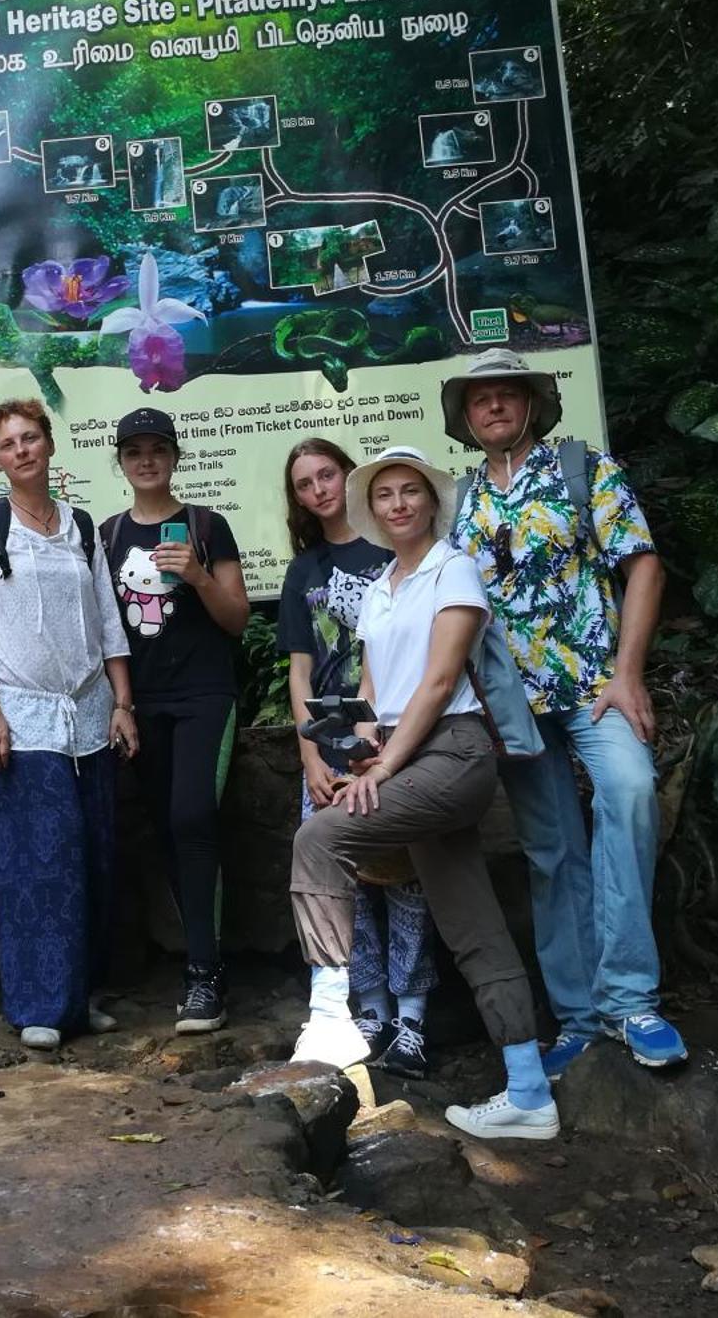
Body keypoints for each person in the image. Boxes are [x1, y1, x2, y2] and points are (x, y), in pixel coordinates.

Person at [289, 445, 558, 1141]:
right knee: (472, 922)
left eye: (411, 491)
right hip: (405, 756)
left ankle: (330, 1020)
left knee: (320, 837)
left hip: (454, 752)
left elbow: (438, 684)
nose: (399, 503)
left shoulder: (454, 568)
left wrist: (384, 772)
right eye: (384, 496)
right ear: (370, 511)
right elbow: (377, 694)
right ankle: (529, 1089)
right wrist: (361, 756)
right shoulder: (381, 588)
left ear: (431, 502)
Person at [441, 350, 683, 1077]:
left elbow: (642, 564)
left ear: (532, 404)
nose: (493, 407)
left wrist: (631, 674)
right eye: (479, 400)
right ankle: (579, 1018)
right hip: (514, 708)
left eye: (505, 395)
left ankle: (632, 999)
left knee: (631, 793)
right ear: (466, 418)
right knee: (551, 854)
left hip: (595, 685)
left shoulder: (582, 468)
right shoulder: (460, 499)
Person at [0, 399, 136, 1051]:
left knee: (91, 859)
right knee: (37, 865)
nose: (22, 450)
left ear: (49, 445)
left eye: (31, 437)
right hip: (22, 721)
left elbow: (109, 620)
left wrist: (122, 702)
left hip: (87, 717)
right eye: (8, 443)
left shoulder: (81, 527)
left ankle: (79, 1000)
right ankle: (37, 1005)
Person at [276, 438, 440, 1075]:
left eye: (328, 474)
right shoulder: (304, 569)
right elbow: (299, 670)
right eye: (304, 484)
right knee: (338, 878)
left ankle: (413, 1016)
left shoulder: (397, 554)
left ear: (350, 476)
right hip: (330, 744)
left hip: (398, 739)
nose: (319, 489)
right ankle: (364, 1008)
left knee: (408, 878)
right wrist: (309, 755)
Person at [101, 407, 248, 1034]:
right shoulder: (107, 535)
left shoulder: (206, 526)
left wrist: (196, 574)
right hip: (145, 701)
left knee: (192, 817)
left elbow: (238, 618)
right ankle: (196, 958)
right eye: (134, 451)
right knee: (164, 828)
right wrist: (123, 703)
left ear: (175, 456)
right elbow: (107, 632)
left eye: (157, 448)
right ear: (122, 462)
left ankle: (205, 974)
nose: (146, 460)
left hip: (205, 695)